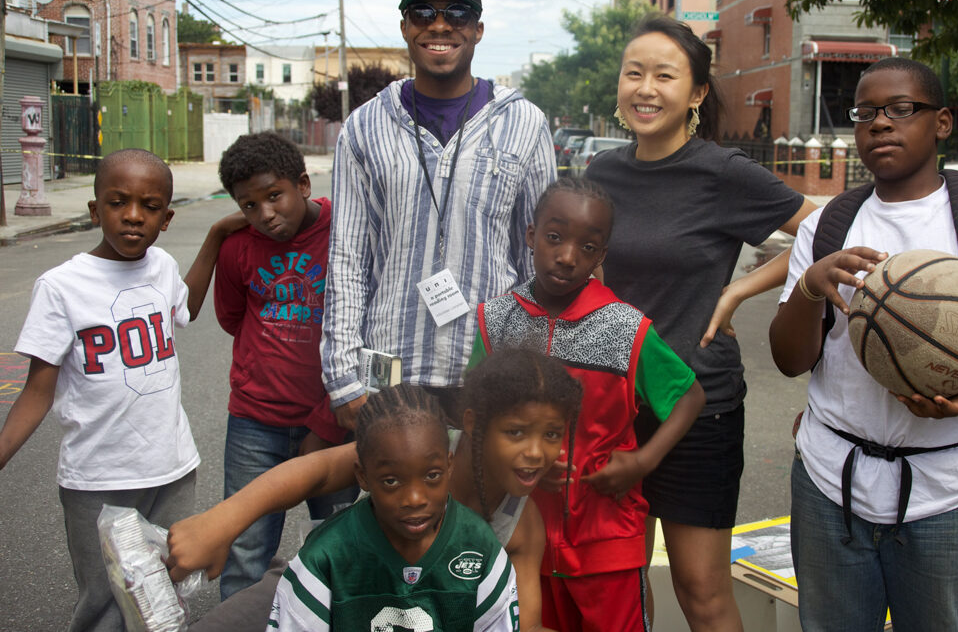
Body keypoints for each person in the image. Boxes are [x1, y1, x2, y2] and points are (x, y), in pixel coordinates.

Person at [770, 57, 958, 632]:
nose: (881, 124)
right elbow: (788, 359)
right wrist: (808, 287)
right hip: (832, 482)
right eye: (866, 113)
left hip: (948, 489)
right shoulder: (828, 224)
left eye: (902, 109)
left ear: (943, 122)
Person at [585, 15, 814, 631]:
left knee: (701, 588)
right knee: (620, 582)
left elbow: (825, 229)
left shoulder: (722, 172)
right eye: (634, 73)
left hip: (699, 403)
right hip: (614, 405)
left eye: (665, 75)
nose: (646, 88)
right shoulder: (603, 174)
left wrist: (738, 291)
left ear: (697, 93)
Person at [165, 349, 581, 632]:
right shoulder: (420, 443)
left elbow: (520, 622)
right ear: (473, 425)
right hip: (336, 581)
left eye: (550, 435)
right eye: (516, 432)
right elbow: (315, 472)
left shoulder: (521, 527)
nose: (535, 452)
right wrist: (219, 524)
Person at [0, 149, 241, 632]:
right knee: (106, 599)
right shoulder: (61, 286)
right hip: (97, 479)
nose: (134, 216)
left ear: (167, 218)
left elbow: (185, 308)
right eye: (118, 202)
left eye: (150, 206)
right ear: (95, 210)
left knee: (165, 591)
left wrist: (215, 237)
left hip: (171, 470)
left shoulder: (161, 266)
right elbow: (37, 392)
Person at [322, 0, 555, 427]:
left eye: (458, 14)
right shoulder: (365, 127)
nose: (441, 25)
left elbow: (539, 259)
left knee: (485, 500)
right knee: (400, 501)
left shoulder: (524, 123)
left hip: (491, 369)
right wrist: (343, 377)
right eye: (424, 13)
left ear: (479, 28)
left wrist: (537, 365)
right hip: (388, 371)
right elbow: (348, 257)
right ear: (406, 26)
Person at [471, 177, 706, 631]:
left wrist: (642, 461)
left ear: (601, 256)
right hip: (520, 539)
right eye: (554, 238)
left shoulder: (625, 328)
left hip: (607, 540)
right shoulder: (495, 321)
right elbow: (473, 416)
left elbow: (689, 395)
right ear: (530, 235)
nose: (566, 256)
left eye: (588, 246)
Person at [211, 132, 354, 599]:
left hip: (332, 424)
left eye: (275, 196)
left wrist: (328, 420)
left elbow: (367, 332)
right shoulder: (238, 249)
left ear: (303, 185)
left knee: (338, 553)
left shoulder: (346, 234)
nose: (266, 215)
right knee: (244, 553)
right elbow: (233, 318)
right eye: (249, 206)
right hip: (255, 423)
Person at [267, 383, 519, 631]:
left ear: (449, 466)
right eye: (391, 481)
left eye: (432, 475)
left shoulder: (479, 546)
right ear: (363, 475)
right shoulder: (327, 555)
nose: (415, 498)